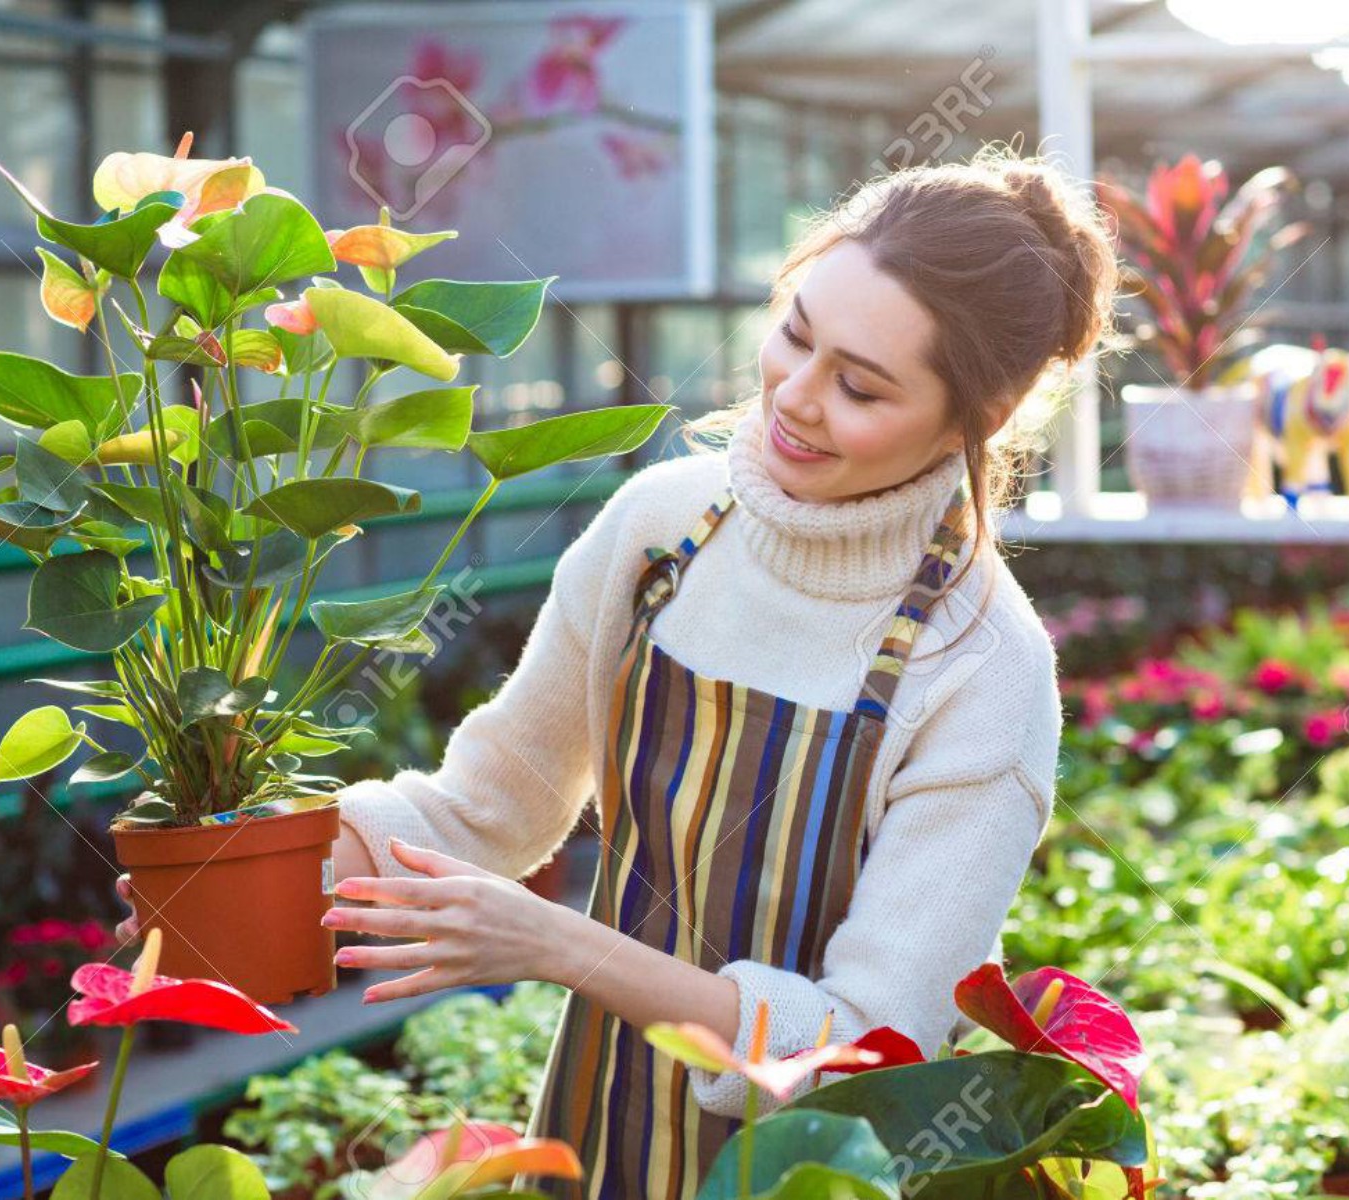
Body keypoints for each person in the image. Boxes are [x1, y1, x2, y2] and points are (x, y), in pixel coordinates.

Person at [117, 143, 1120, 1200]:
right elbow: (491, 803)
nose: (797, 395)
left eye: (860, 386)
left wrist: (563, 947)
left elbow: (862, 1055)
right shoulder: (662, 529)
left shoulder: (980, 671)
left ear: (977, 419)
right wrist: (247, 876)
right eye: (794, 334)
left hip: (823, 1173)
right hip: (600, 1135)